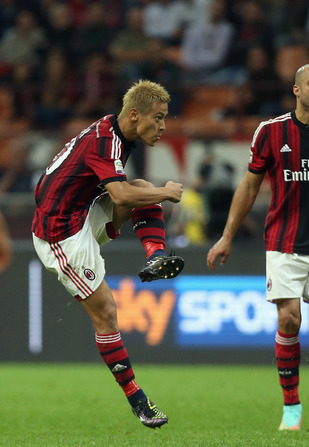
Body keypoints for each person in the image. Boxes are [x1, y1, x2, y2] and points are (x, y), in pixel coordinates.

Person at [207, 63, 309, 431]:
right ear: (296, 90)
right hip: (282, 244)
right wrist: (227, 236)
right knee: (289, 319)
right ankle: (291, 406)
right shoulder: (270, 131)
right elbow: (250, 186)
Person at [31, 79, 185, 429]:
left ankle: (155, 256)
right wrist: (168, 192)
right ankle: (138, 400)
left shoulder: (115, 132)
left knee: (142, 187)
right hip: (61, 235)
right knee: (106, 313)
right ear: (134, 115)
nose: (162, 126)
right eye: (158, 118)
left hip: (80, 213)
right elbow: (119, 197)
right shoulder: (105, 141)